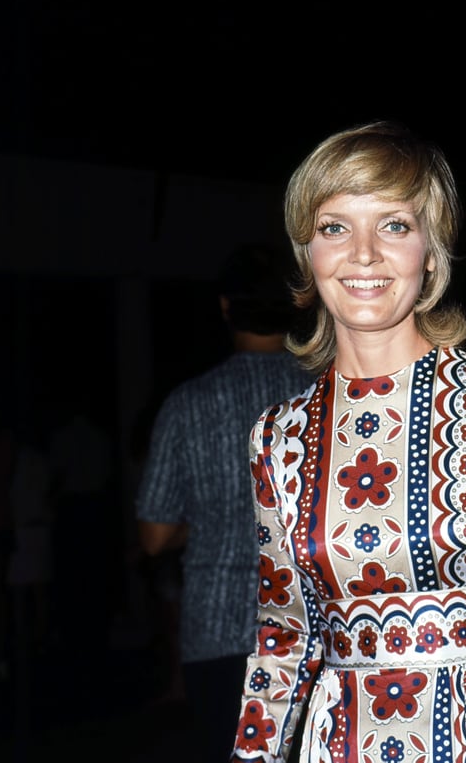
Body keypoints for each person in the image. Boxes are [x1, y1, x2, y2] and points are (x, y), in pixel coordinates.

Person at [231, 121, 466, 763]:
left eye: (394, 225)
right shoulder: (278, 437)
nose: (363, 254)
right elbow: (284, 639)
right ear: (308, 254)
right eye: (334, 227)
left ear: (431, 252)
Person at [136, 243, 312, 763]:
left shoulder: (187, 403)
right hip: (310, 625)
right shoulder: (323, 396)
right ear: (297, 305)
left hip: (214, 631)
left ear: (225, 307)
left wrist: (214, 519)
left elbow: (153, 537)